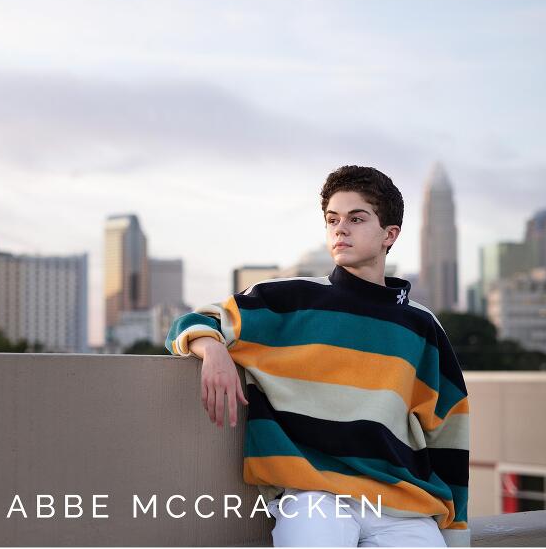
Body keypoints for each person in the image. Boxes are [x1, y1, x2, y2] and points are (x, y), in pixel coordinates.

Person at [165, 165, 470, 547]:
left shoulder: (421, 326)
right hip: (314, 495)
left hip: (402, 506)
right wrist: (212, 350)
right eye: (332, 219)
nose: (340, 229)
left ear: (389, 235)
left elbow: (449, 435)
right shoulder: (288, 299)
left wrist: (457, 532)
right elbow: (191, 322)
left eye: (357, 219)